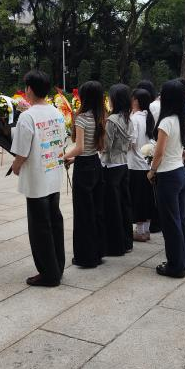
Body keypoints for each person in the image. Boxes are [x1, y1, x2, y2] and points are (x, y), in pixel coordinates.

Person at [10, 70, 66, 287]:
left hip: (36, 180)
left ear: (30, 89)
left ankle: (49, 274)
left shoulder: (28, 116)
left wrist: (16, 167)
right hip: (53, 176)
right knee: (54, 223)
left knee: (39, 228)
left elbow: (22, 152)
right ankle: (57, 267)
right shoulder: (57, 113)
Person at [62, 80, 106, 269]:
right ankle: (98, 252)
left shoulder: (81, 118)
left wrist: (64, 156)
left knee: (83, 213)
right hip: (95, 164)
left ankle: (85, 257)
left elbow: (79, 148)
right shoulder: (100, 116)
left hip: (84, 169)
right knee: (96, 211)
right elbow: (91, 148)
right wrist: (73, 159)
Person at [148, 80, 185, 278]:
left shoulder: (166, 122)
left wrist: (152, 170)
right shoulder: (181, 119)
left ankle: (175, 266)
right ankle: (183, 262)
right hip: (180, 172)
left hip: (168, 175)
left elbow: (159, 152)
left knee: (171, 223)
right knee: (181, 220)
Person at [101, 84, 133, 256]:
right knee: (124, 204)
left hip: (111, 165)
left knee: (112, 207)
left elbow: (106, 146)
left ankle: (115, 245)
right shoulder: (128, 118)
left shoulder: (111, 121)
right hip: (123, 164)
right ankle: (127, 242)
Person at [128, 88, 156, 242]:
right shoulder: (148, 117)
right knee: (147, 198)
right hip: (147, 163)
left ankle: (139, 232)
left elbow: (131, 142)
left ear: (136, 101)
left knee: (138, 199)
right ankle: (146, 230)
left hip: (135, 164)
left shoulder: (134, 119)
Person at [136, 80, 161, 233]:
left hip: (143, 155)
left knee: (144, 194)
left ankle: (144, 228)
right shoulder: (156, 107)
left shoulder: (149, 109)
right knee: (152, 193)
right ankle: (154, 223)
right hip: (153, 148)